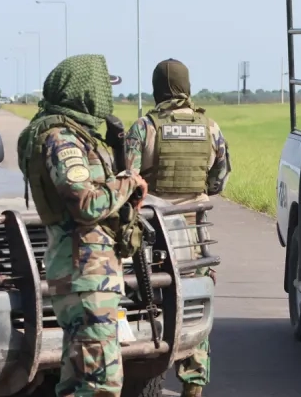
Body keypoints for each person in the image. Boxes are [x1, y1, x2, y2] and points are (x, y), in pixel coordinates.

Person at [16, 54, 149, 397]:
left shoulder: (76, 134)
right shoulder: (63, 139)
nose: (109, 97)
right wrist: (128, 183)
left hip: (89, 273)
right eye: (105, 89)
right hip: (85, 272)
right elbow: (86, 203)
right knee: (100, 385)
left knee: (78, 383)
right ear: (86, 93)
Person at [123, 58, 230, 397]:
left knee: (146, 301)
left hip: (154, 234)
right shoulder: (209, 126)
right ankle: (194, 383)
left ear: (157, 89)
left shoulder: (144, 127)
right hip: (195, 233)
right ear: (186, 87)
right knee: (195, 303)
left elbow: (127, 180)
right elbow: (219, 180)